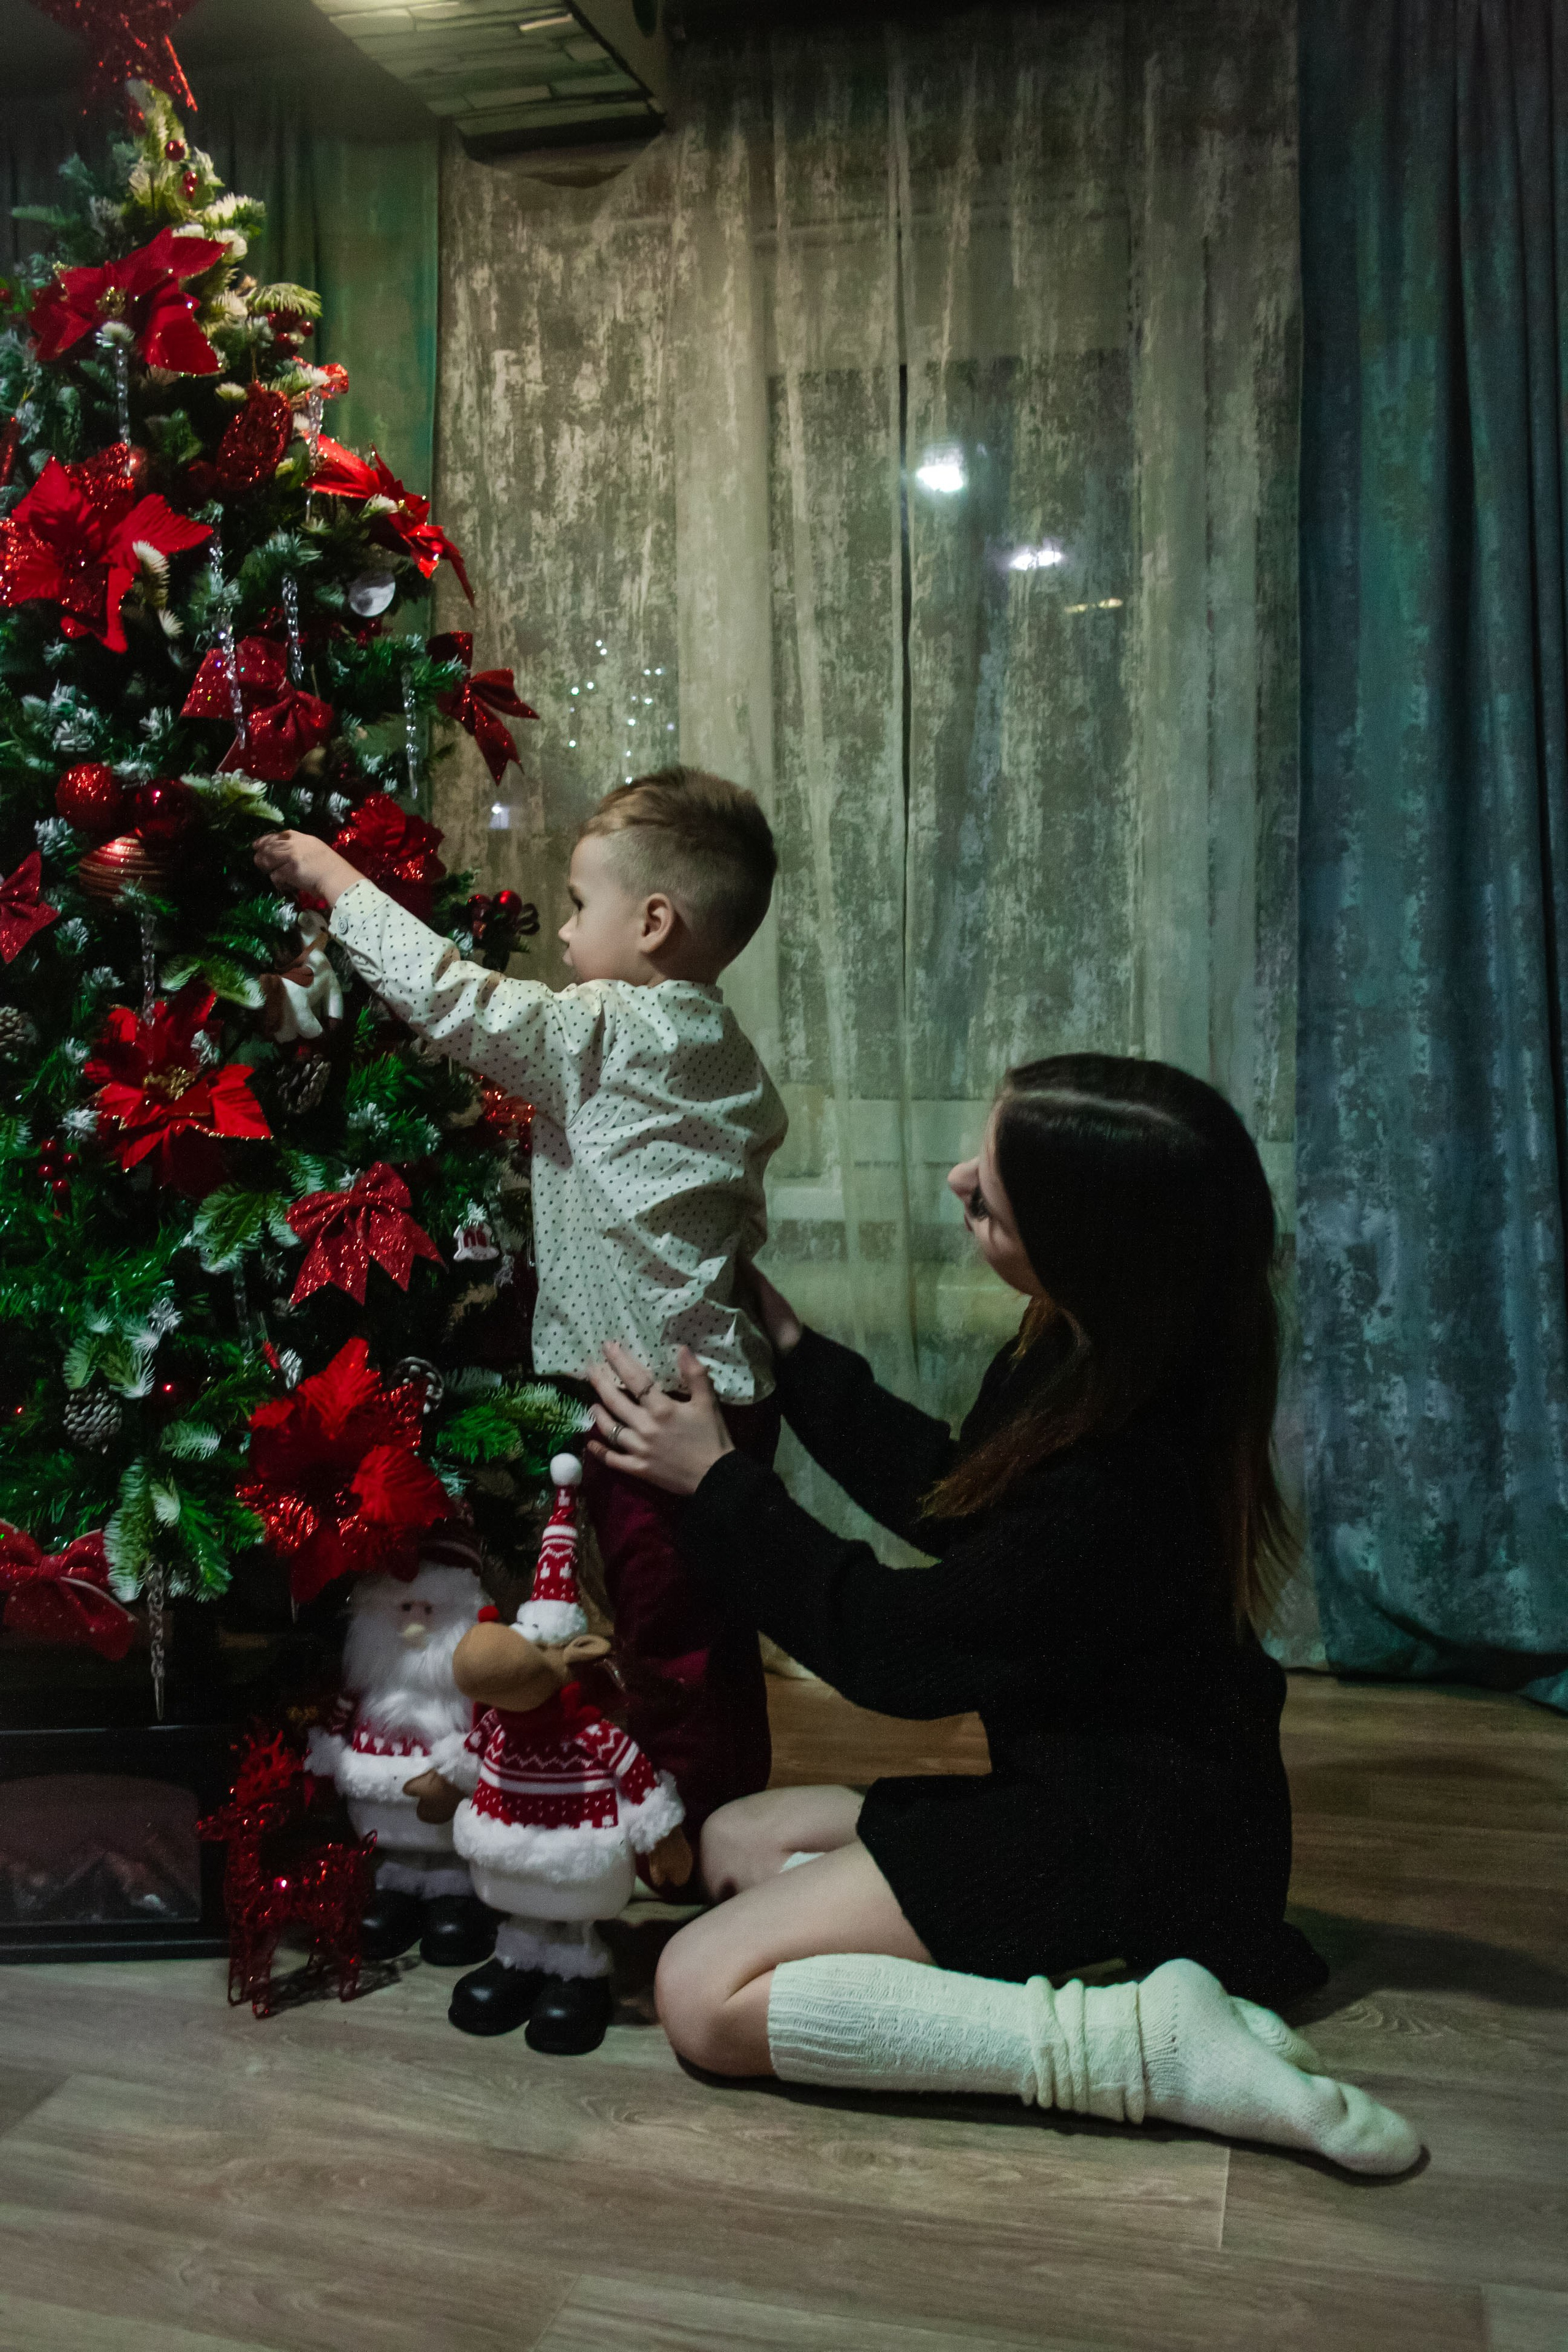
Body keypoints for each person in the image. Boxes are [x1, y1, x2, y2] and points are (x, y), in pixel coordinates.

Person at [579, 1054, 1421, 2174]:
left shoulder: (1124, 1474)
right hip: (1089, 1791)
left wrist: (721, 1486)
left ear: (1083, 1249)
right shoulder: (1095, 1346)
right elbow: (957, 1496)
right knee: (734, 1838)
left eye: (991, 1196)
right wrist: (792, 1353)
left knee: (702, 1995)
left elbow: (898, 1650)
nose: (955, 1180)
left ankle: (1136, 2041)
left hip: (1137, 1844)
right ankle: (989, 1951)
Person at [254, 766, 787, 1849]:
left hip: (652, 1416)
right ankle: (715, 1813)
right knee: (706, 1634)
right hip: (720, 1399)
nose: (565, 934)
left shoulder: (606, 1029)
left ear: (653, 922)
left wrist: (332, 876)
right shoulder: (718, 1046)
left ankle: (696, 1839)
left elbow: (457, 999)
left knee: (668, 1637)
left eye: (582, 907)